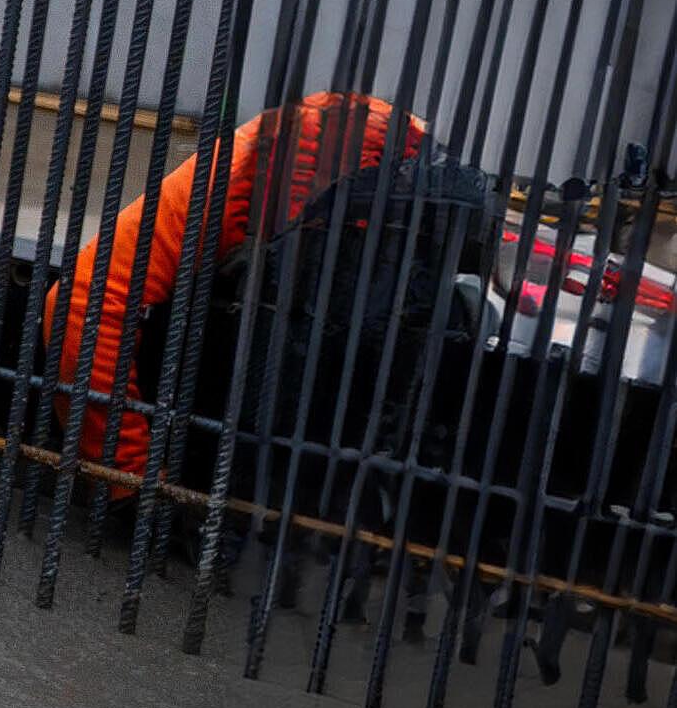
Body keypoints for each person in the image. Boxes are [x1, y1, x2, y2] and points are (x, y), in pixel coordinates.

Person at [45, 92, 464, 489]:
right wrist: (130, 475)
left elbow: (85, 300)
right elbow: (86, 301)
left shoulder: (281, 165)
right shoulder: (251, 172)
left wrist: (129, 478)